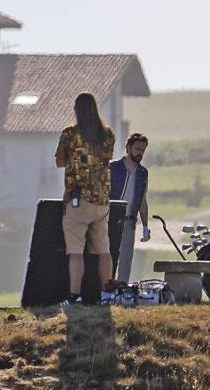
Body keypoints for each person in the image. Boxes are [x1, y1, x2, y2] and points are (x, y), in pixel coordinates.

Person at [55, 93, 116, 304]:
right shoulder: (107, 135)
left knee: (75, 251)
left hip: (78, 200)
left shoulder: (70, 134)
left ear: (77, 111)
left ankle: (74, 295)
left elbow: (59, 162)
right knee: (103, 250)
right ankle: (107, 294)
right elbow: (106, 159)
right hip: (102, 199)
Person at [109, 133, 151, 283]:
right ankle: (105, 289)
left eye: (143, 150)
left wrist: (145, 226)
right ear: (128, 148)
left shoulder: (142, 173)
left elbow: (142, 200)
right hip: (111, 219)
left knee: (126, 259)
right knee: (109, 256)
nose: (140, 153)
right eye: (138, 149)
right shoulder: (113, 168)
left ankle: (121, 289)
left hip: (129, 220)